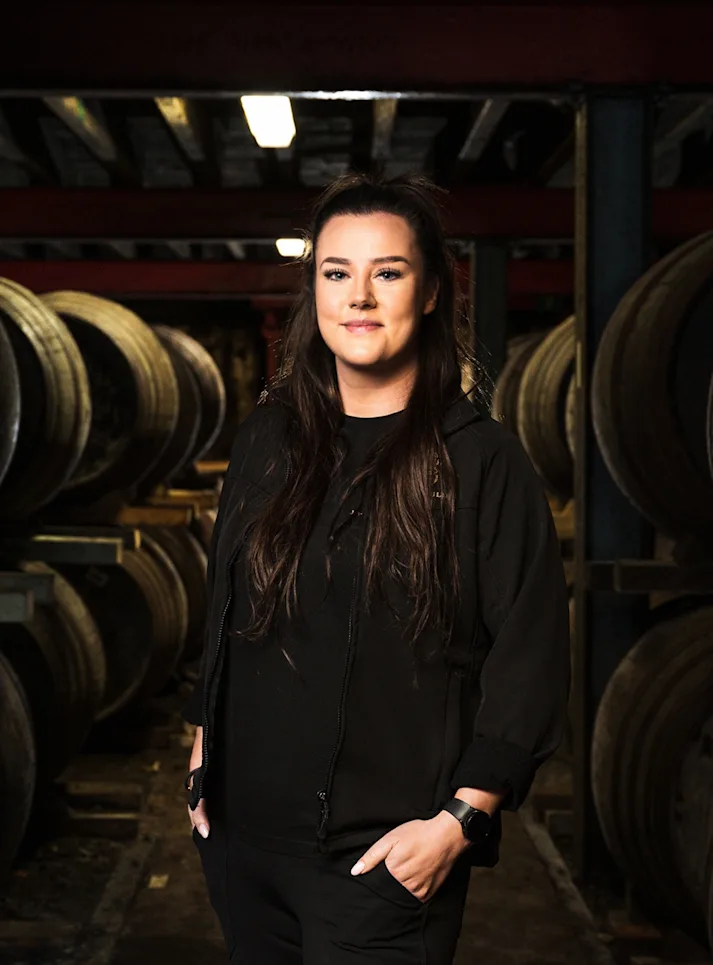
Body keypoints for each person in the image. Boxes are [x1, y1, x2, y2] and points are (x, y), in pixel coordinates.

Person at [182, 172, 570, 964]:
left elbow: (531, 657)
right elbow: (222, 606)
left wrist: (458, 822)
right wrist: (199, 754)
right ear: (314, 288)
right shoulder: (267, 440)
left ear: (428, 292)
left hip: (380, 863)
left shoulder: (481, 462)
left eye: (385, 272)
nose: (358, 297)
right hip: (242, 847)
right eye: (336, 273)